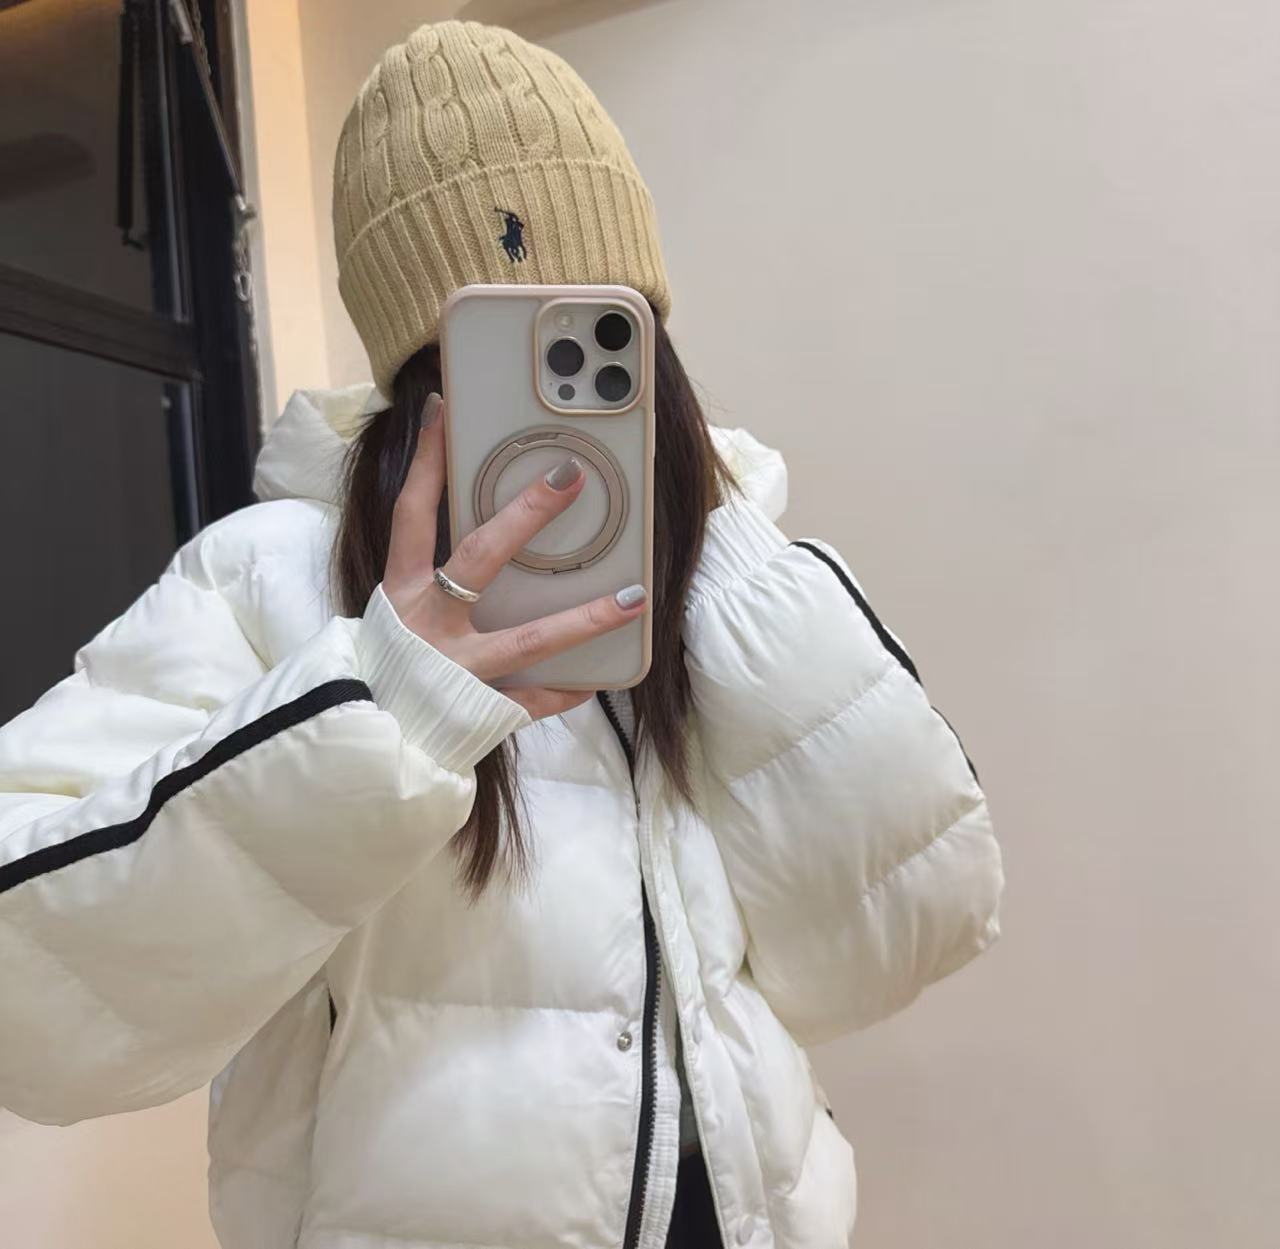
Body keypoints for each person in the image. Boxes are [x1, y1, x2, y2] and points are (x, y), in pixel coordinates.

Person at [0, 20, 1004, 1249]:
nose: (554, 414)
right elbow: (27, 1002)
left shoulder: (723, 572)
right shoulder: (272, 576)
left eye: (601, 343)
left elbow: (901, 941)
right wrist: (385, 712)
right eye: (491, 354)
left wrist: (722, 556)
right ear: (413, 369)